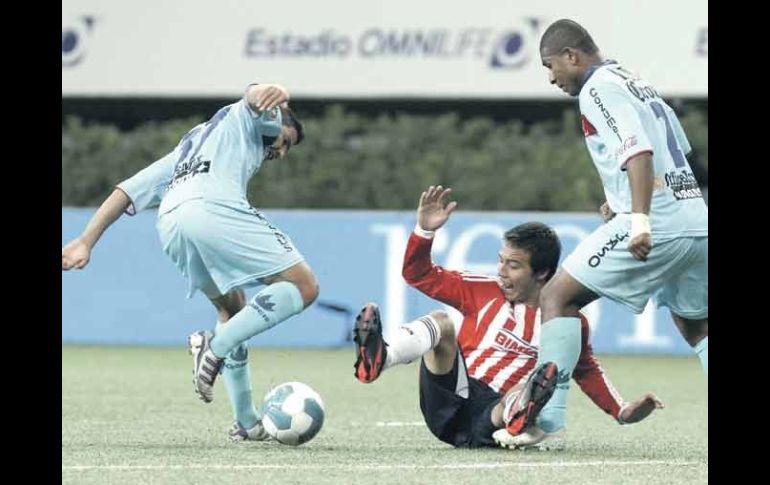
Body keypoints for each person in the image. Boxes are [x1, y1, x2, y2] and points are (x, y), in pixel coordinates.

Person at [61, 82, 319, 441]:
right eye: (286, 142)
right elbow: (255, 101)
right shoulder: (248, 121)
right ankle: (214, 345)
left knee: (233, 307)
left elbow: (127, 190)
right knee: (303, 286)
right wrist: (269, 91)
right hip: (214, 208)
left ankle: (246, 421)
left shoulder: (189, 147)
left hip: (170, 224)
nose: (282, 150)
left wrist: (86, 241)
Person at [500, 19, 708, 445]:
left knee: (557, 296)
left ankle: (545, 417)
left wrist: (639, 219)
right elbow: (681, 155)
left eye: (550, 65)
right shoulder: (636, 82)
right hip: (695, 219)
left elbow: (639, 151)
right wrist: (618, 199)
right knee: (698, 327)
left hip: (661, 220)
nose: (551, 77)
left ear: (572, 56)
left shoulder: (598, 88)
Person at [353, 185, 663, 449]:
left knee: (538, 380)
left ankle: (520, 417)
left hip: (493, 414)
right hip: (450, 397)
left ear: (542, 273)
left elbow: (586, 370)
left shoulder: (567, 322)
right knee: (441, 323)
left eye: (513, 265)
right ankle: (381, 357)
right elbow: (418, 274)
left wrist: (621, 410)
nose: (501, 272)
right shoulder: (482, 290)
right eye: (501, 261)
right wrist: (424, 231)